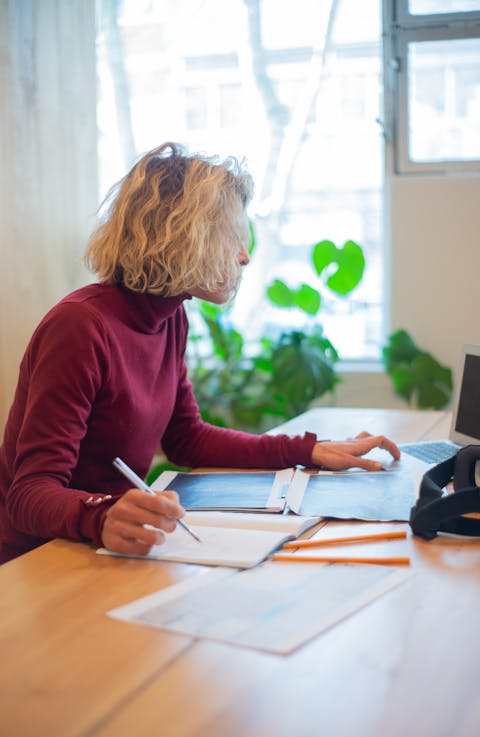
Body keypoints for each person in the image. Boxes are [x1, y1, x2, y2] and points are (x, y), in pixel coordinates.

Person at [0, 142, 400, 564]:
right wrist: (101, 515)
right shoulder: (80, 327)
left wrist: (305, 451)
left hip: (113, 545)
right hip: (38, 560)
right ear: (183, 235)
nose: (244, 257)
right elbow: (29, 493)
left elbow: (186, 439)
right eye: (233, 238)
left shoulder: (171, 317)